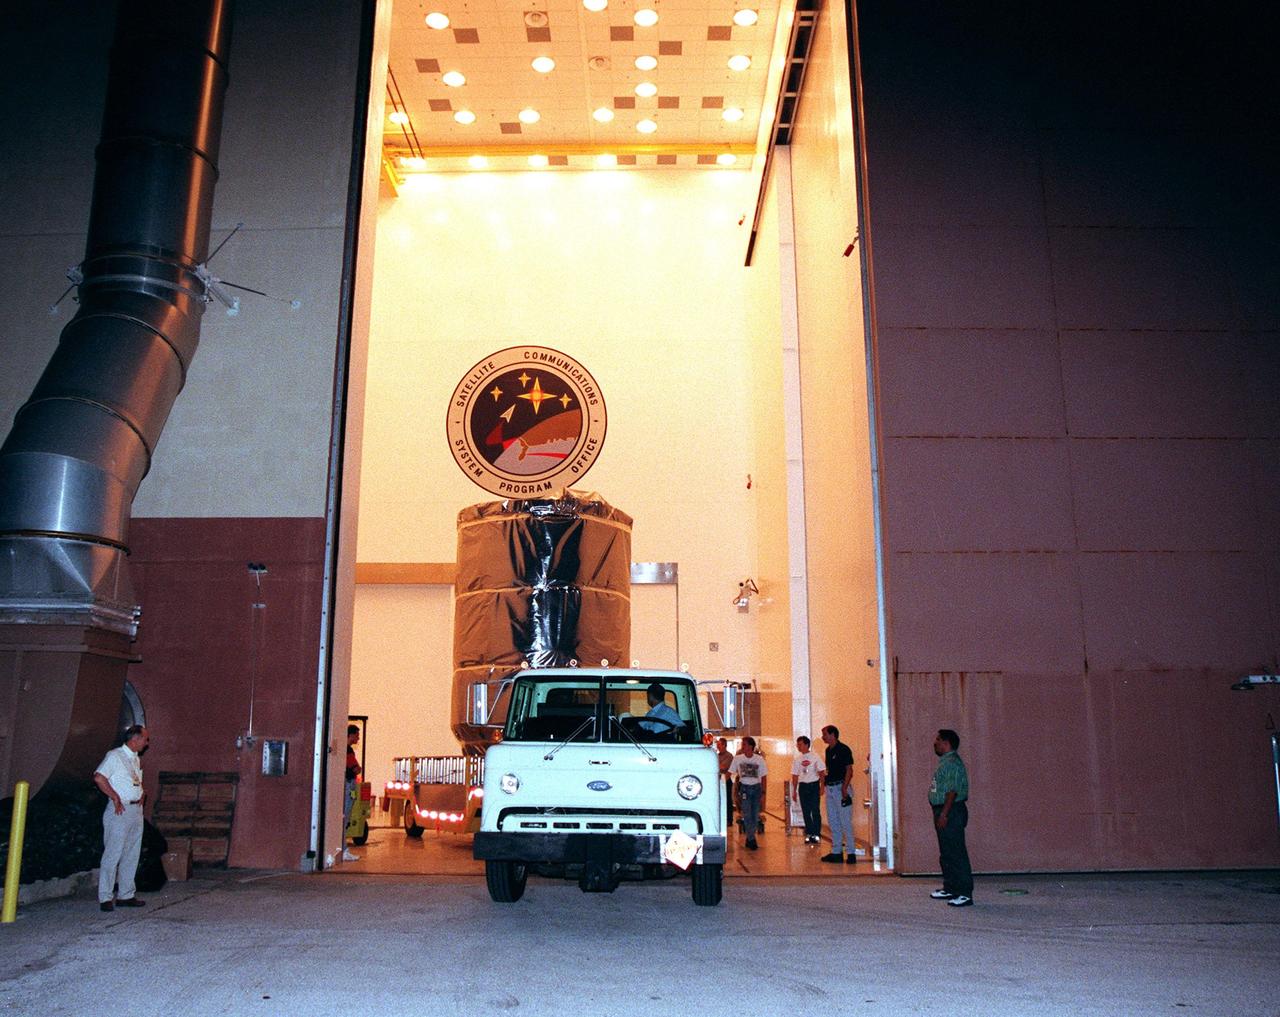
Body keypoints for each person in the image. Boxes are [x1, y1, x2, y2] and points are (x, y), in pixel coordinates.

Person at [93, 724, 149, 911]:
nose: (146, 743)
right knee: (113, 853)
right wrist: (115, 797)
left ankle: (126, 895)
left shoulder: (134, 759)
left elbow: (130, 781)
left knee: (131, 853)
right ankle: (105, 897)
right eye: (145, 739)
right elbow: (99, 777)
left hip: (135, 810)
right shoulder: (115, 756)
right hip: (120, 811)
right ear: (135, 739)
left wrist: (140, 792)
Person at [929, 728, 973, 907]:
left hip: (951, 811)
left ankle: (964, 893)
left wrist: (944, 814)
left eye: (938, 740)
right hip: (943, 810)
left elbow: (952, 791)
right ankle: (950, 888)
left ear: (946, 743)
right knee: (946, 852)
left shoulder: (952, 763)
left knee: (956, 852)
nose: (935, 743)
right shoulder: (944, 762)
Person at [820, 724, 855, 863]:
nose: (823, 737)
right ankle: (836, 852)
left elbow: (849, 770)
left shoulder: (844, 749)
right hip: (831, 789)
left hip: (841, 788)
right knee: (833, 821)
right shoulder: (828, 750)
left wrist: (844, 789)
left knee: (845, 821)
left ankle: (851, 853)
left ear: (833, 734)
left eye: (825, 734)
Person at [728, 736, 767, 851]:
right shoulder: (738, 759)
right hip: (744, 788)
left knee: (755, 815)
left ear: (750, 746)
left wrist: (764, 793)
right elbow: (730, 773)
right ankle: (751, 839)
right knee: (747, 814)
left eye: (744, 744)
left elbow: (764, 776)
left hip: (756, 788)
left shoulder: (759, 759)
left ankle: (750, 838)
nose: (742, 747)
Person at [790, 735, 825, 844]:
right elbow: (795, 776)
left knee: (815, 810)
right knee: (806, 811)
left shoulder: (815, 757)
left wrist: (822, 786)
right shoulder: (797, 760)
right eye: (797, 745)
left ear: (806, 744)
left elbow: (822, 772)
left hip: (814, 785)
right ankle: (809, 833)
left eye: (800, 744)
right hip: (803, 786)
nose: (798, 747)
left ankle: (817, 834)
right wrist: (794, 791)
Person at [343, 724, 362, 862]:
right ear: (351, 735)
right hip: (349, 785)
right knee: (345, 817)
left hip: (348, 784)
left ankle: (343, 849)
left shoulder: (347, 750)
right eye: (357, 735)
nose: (358, 738)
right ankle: (343, 850)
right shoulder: (348, 750)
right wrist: (358, 768)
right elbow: (356, 769)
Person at [716, 737, 735, 824]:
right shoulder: (716, 755)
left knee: (727, 801)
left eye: (719, 744)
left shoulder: (729, 756)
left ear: (724, 745)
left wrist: (715, 764)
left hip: (726, 780)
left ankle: (729, 820)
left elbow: (723, 767)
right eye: (717, 744)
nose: (718, 746)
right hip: (717, 781)